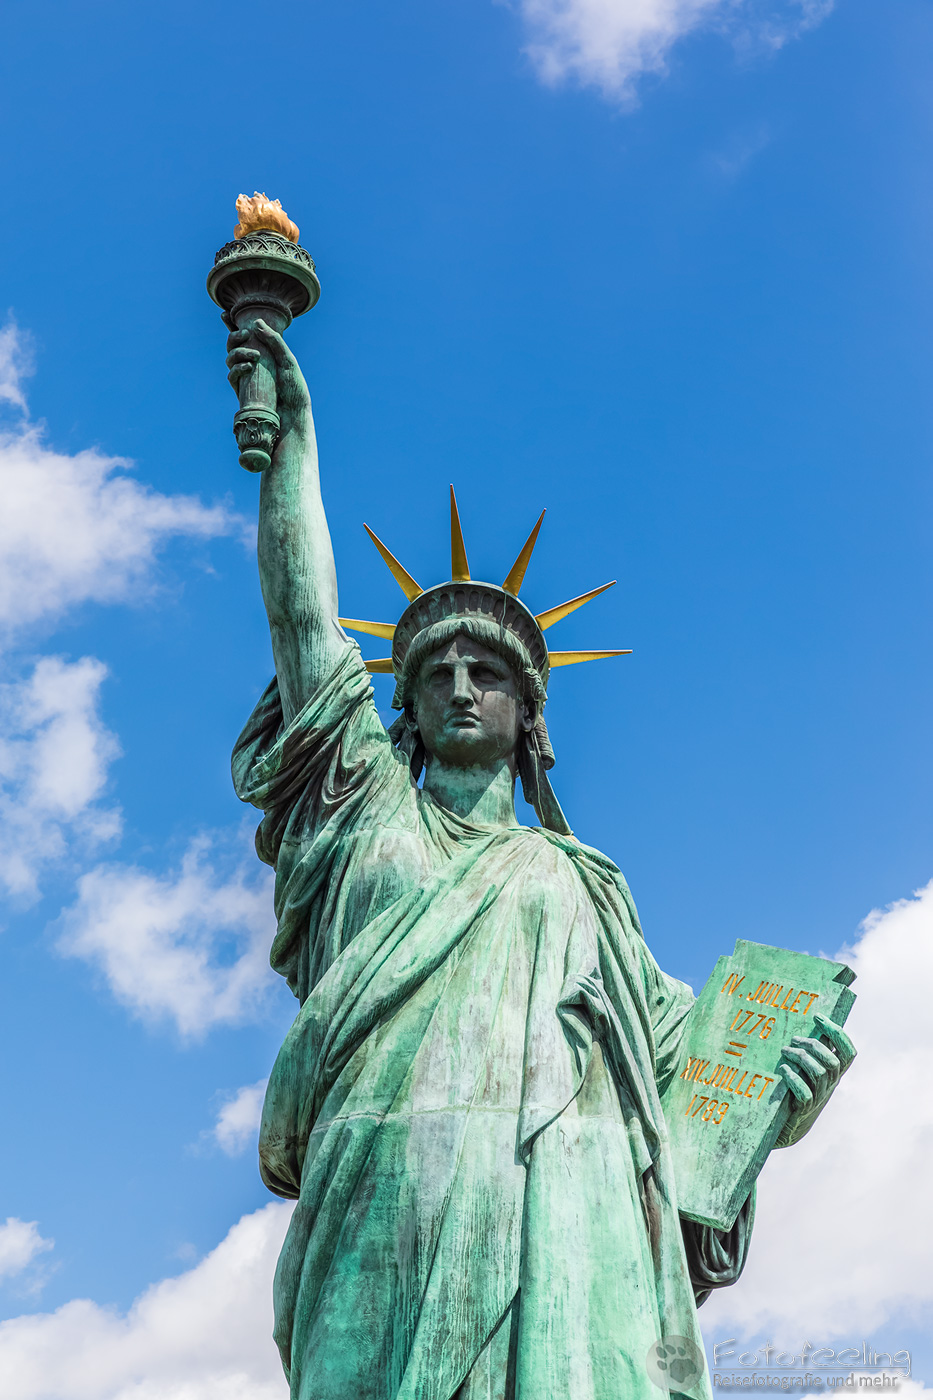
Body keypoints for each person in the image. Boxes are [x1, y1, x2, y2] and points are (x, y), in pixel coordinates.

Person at [226, 321, 855, 1400]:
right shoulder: (364, 808)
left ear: (527, 716)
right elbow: (302, 618)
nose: (462, 685)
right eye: (437, 672)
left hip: (573, 1218)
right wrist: (294, 449)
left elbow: (682, 1088)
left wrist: (780, 1103)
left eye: (488, 672)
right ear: (407, 712)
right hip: (385, 1193)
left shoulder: (585, 883)